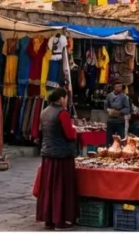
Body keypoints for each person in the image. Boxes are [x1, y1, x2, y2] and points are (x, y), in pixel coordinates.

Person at [35, 88, 79, 230]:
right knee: (60, 188)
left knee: (48, 187)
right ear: (61, 98)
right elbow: (70, 135)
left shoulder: (45, 111)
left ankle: (49, 219)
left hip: (48, 154)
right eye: (66, 98)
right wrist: (75, 129)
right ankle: (60, 220)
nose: (66, 101)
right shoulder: (62, 113)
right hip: (61, 156)